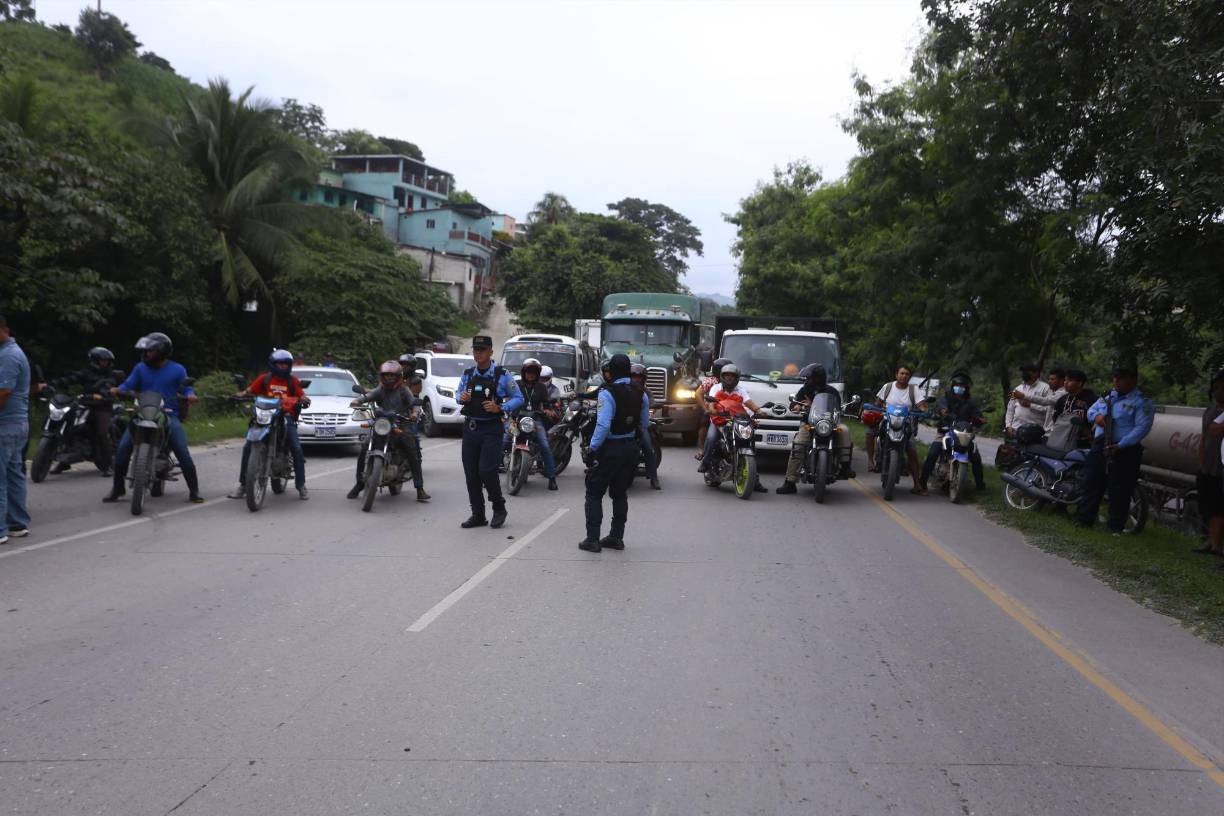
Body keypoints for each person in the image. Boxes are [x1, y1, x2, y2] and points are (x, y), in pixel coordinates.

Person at [104, 332, 204, 504]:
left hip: (168, 414)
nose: (147, 354)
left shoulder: (178, 369)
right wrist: (118, 389)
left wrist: (190, 395)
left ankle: (194, 491)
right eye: (146, 351)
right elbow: (128, 384)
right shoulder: (140, 368)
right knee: (122, 450)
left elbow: (186, 388)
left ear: (162, 351)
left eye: (150, 351)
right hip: (142, 412)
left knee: (182, 451)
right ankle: (118, 489)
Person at [580, 353, 650, 552]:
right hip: (630, 449)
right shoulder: (640, 392)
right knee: (619, 493)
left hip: (610, 448)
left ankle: (592, 539)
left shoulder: (607, 392)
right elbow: (644, 424)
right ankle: (616, 537)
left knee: (594, 492)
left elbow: (602, 425)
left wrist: (592, 449)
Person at [1074, 363, 1154, 533]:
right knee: (1092, 481)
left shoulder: (1141, 402)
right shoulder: (1108, 396)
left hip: (1124, 448)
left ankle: (1115, 527)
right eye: (1115, 378)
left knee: (1120, 488)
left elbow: (1142, 428)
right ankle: (1084, 519)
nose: (1116, 382)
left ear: (1132, 380)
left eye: (1121, 379)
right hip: (1100, 444)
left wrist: (1121, 445)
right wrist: (1098, 418)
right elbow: (1091, 411)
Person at [227, 349, 312, 500]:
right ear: (273, 365)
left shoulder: (292, 381)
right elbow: (250, 390)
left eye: (285, 365)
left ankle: (301, 485)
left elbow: (301, 395)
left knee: (296, 448)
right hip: (266, 416)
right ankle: (243, 485)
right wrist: (240, 394)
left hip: (285, 416)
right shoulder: (264, 379)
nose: (282, 367)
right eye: (279, 364)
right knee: (248, 446)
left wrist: (303, 399)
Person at [457, 336, 523, 528]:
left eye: (482, 350)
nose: (478, 353)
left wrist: (500, 408)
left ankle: (499, 507)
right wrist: (461, 397)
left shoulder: (502, 375)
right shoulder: (468, 374)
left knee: (486, 471)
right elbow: (458, 394)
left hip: (491, 429)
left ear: (491, 352)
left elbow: (518, 397)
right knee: (471, 474)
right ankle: (478, 514)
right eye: (476, 350)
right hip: (470, 429)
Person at [346, 361, 429, 502]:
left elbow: (414, 402)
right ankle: (360, 483)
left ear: (398, 376)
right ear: (382, 376)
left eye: (392, 376)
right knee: (365, 446)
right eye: (386, 376)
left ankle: (419, 488)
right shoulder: (381, 389)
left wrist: (414, 413)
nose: (389, 378)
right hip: (383, 423)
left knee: (411, 448)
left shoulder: (403, 390)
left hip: (401, 423)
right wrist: (358, 401)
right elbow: (369, 396)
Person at [42, 346, 122, 475]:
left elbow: (108, 387)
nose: (105, 363)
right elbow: (70, 379)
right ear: (95, 361)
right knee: (69, 427)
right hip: (84, 405)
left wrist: (102, 395)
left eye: (107, 361)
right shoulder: (86, 372)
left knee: (102, 432)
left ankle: (108, 466)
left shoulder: (110, 375)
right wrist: (52, 384)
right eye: (102, 360)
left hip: (102, 407)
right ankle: (64, 462)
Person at [776, 363, 851, 494]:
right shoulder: (804, 390)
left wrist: (841, 411)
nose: (807, 380)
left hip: (830, 424)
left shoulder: (831, 391)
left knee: (844, 431)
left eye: (809, 377)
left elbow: (838, 409)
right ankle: (790, 482)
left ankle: (845, 466)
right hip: (809, 425)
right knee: (798, 444)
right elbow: (794, 404)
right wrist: (797, 406)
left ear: (818, 378)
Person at [700, 364, 767, 492]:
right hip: (719, 420)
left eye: (732, 376)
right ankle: (706, 462)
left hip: (736, 420)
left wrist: (759, 410)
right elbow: (712, 403)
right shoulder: (716, 388)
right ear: (722, 376)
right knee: (711, 438)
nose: (729, 378)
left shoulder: (740, 390)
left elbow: (749, 402)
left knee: (749, 443)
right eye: (727, 376)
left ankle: (754, 480)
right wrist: (712, 410)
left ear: (736, 378)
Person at [918, 371, 986, 492]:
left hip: (964, 434)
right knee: (933, 453)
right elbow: (941, 406)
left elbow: (978, 414)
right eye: (957, 385)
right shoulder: (946, 397)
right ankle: (922, 483)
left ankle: (980, 485)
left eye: (962, 386)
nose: (959, 388)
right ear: (953, 385)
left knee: (976, 457)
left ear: (967, 388)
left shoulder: (971, 402)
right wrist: (944, 412)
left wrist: (980, 419)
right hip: (945, 432)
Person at [866, 365, 928, 492]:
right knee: (870, 432)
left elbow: (921, 405)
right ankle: (870, 461)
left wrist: (924, 410)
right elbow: (878, 403)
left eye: (907, 374)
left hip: (905, 423)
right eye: (902, 373)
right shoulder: (888, 387)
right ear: (896, 375)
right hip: (886, 420)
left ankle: (917, 484)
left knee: (912, 450)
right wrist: (872, 409)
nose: (904, 376)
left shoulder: (913, 389)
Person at [0, 314, 32, 545]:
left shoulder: (9, 356)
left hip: (6, 425)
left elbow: (3, 393)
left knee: (3, 477)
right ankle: (17, 523)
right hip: (16, 424)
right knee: (13, 474)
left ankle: (1, 529)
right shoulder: (10, 352)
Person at [510, 357, 558, 491]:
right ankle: (492, 475)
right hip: (516, 419)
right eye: (528, 371)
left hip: (534, 420)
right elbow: (507, 397)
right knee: (503, 441)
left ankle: (552, 478)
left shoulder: (541, 387)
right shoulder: (516, 384)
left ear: (537, 374)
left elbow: (547, 403)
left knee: (544, 445)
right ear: (523, 372)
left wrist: (549, 410)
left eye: (533, 372)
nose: (530, 374)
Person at [1192, 369, 1224, 559]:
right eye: (1216, 388)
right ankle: (1214, 544)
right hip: (1210, 467)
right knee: (1211, 508)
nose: (1219, 392)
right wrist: (1202, 462)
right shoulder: (1211, 411)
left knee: (1220, 509)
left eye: (1223, 388)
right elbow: (1208, 434)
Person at [630, 362, 661, 490]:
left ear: (643, 379)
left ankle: (654, 478)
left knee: (648, 448)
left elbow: (653, 401)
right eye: (634, 377)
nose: (637, 379)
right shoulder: (625, 388)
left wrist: (653, 405)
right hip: (625, 424)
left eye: (639, 377)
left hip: (641, 426)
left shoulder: (646, 392)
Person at [1049, 369, 1098, 448]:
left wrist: (1089, 433)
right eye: (1065, 380)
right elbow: (1055, 417)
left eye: (1070, 380)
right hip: (1062, 439)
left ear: (1079, 383)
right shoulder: (1062, 399)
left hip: (1084, 442)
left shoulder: (1091, 398)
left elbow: (1098, 419)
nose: (1066, 383)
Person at [695, 357, 732, 461]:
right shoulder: (711, 381)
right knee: (703, 424)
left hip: (727, 410)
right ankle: (702, 449)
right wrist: (705, 408)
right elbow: (698, 394)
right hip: (710, 409)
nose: (729, 375)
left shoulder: (733, 382)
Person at [1005, 363, 1051, 438]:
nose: (1024, 374)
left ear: (1035, 373)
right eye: (1023, 372)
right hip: (1015, 429)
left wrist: (1030, 405)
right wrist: (1008, 426)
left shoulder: (1045, 388)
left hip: (1034, 432)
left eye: (1027, 371)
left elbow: (1048, 410)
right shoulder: (1017, 389)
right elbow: (1010, 409)